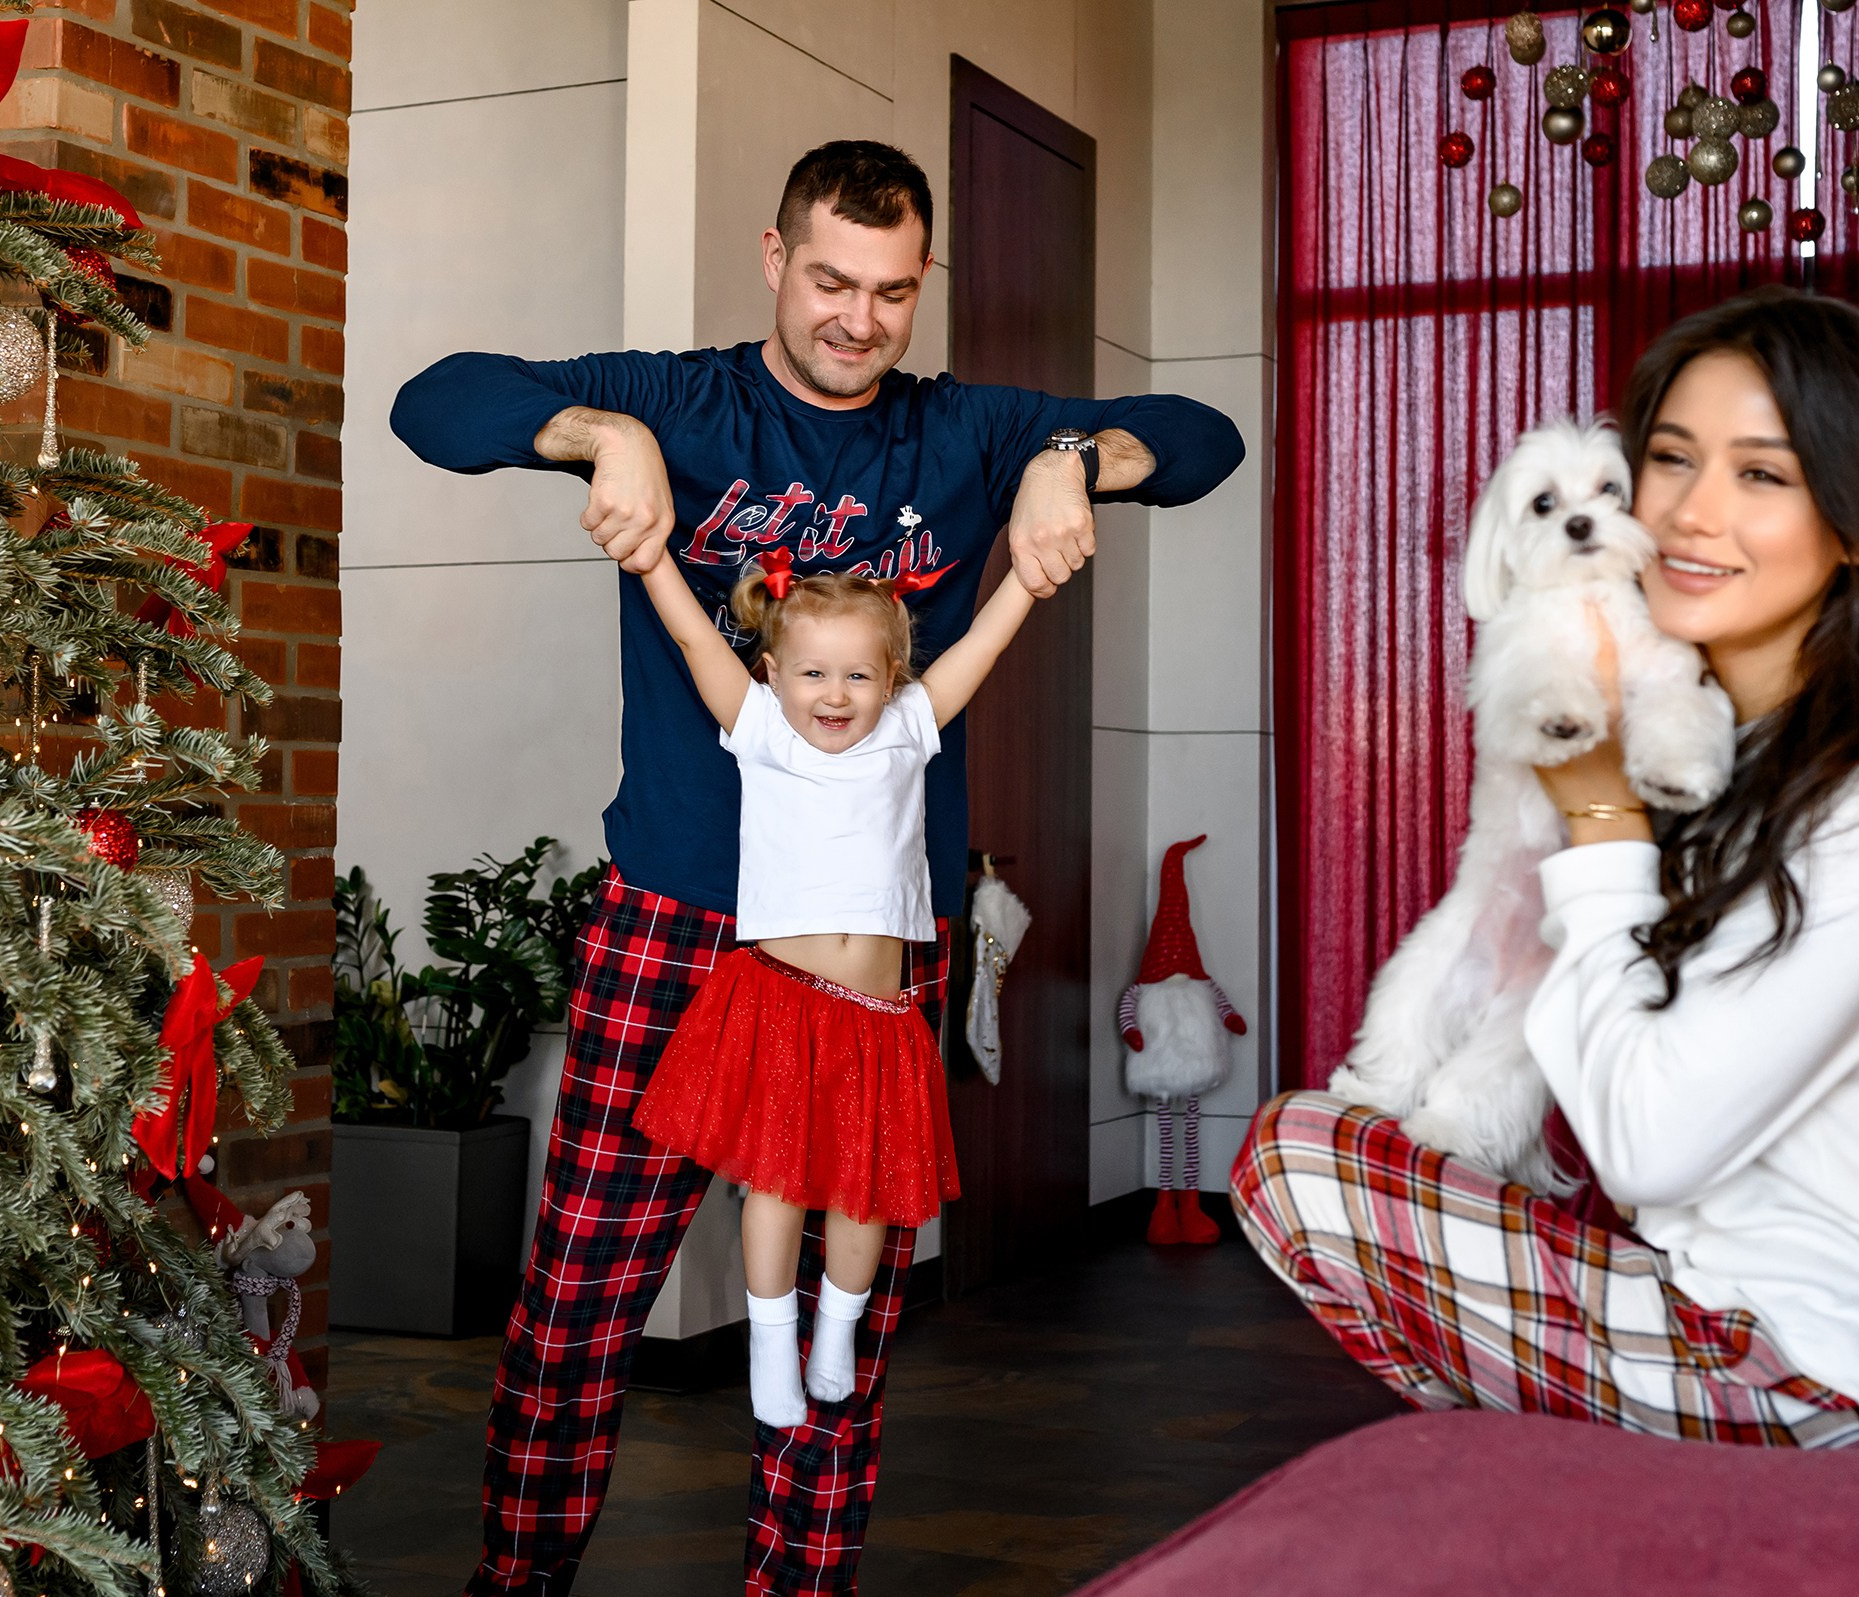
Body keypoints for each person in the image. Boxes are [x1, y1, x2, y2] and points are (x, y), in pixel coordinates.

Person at [391, 139, 1243, 1592]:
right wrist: (596, 434)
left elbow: (1202, 433)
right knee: (580, 1299)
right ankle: (514, 1579)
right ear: (775, 257)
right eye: (832, 279)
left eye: (892, 292)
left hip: (863, 953)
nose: (858, 318)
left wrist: (1068, 461)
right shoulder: (680, 398)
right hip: (674, 922)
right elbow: (437, 400)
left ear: (923, 290)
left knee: (839, 1320)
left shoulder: (967, 431)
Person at [1232, 287, 1859, 1454]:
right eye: (1670, 460)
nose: (1692, 513)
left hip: (1850, 1382)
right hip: (1734, 1309)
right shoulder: (1738, 746)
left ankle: (1602, 1491)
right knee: (1324, 1138)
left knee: (1293, 1162)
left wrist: (1602, 813)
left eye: (1762, 475)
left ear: (1858, 521)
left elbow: (1649, 1145)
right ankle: (1595, 1493)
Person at [632, 549, 1039, 1428]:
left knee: (868, 1190)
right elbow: (697, 641)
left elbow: (982, 647)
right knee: (777, 1182)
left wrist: (1027, 581)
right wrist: (651, 560)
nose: (835, 693)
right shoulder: (762, 730)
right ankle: (772, 1332)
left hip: (880, 1018)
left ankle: (835, 1329)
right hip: (782, 998)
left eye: (858, 674)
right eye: (813, 672)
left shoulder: (907, 726)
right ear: (774, 674)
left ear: (892, 677)